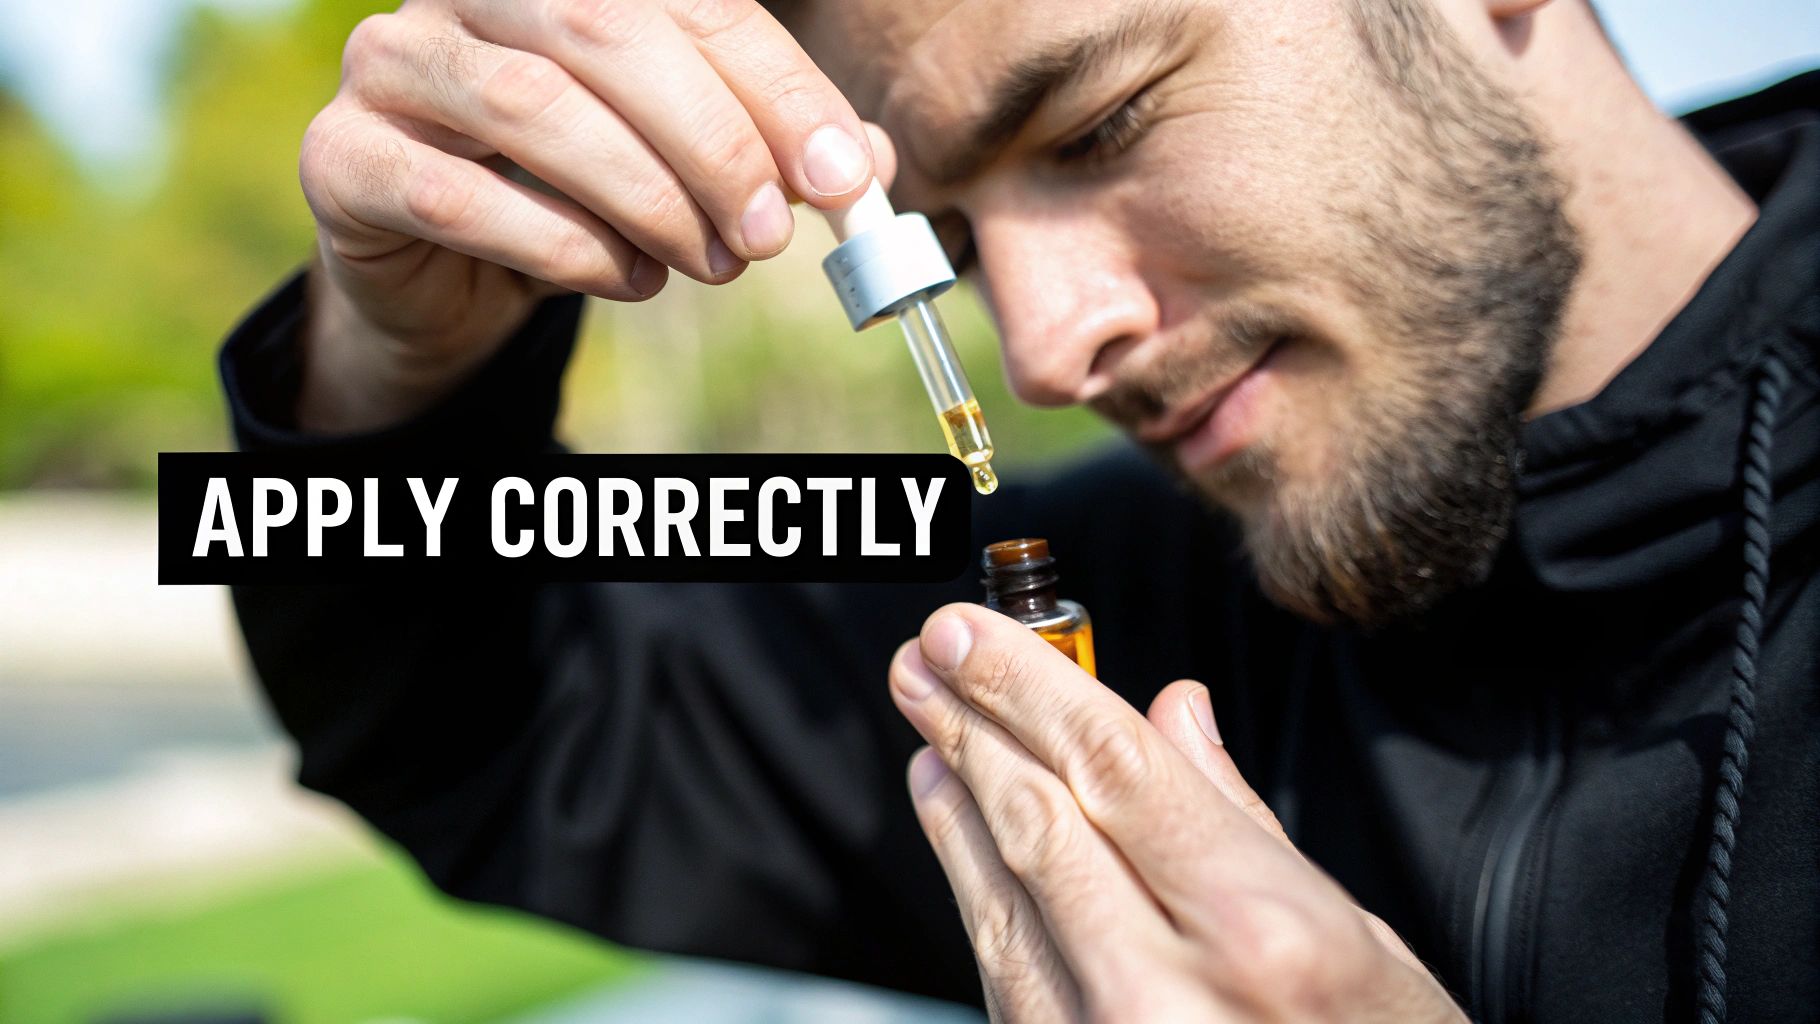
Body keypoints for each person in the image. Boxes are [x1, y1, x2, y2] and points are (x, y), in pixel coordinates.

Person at [217, 0, 1819, 1018]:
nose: (1046, 350)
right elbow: (474, 732)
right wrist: (390, 372)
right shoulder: (1098, 591)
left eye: (1098, 123)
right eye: (956, 245)